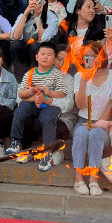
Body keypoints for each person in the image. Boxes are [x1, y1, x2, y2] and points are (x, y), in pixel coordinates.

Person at [9, 42, 70, 171]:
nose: (45, 57)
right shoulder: (30, 74)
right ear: (36, 57)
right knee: (21, 111)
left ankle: (46, 153)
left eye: (49, 55)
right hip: (33, 104)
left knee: (47, 118)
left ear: (52, 59)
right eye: (42, 54)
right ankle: (16, 142)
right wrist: (32, 93)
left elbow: (63, 94)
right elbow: (20, 94)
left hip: (49, 107)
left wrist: (49, 95)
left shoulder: (58, 75)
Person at [71, 42, 112, 196]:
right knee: (81, 134)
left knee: (94, 134)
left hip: (105, 123)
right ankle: (78, 178)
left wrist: (98, 124)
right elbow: (80, 106)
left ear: (102, 57)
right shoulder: (78, 76)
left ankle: (94, 179)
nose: (92, 60)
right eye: (87, 57)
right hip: (83, 120)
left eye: (95, 56)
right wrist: (83, 79)